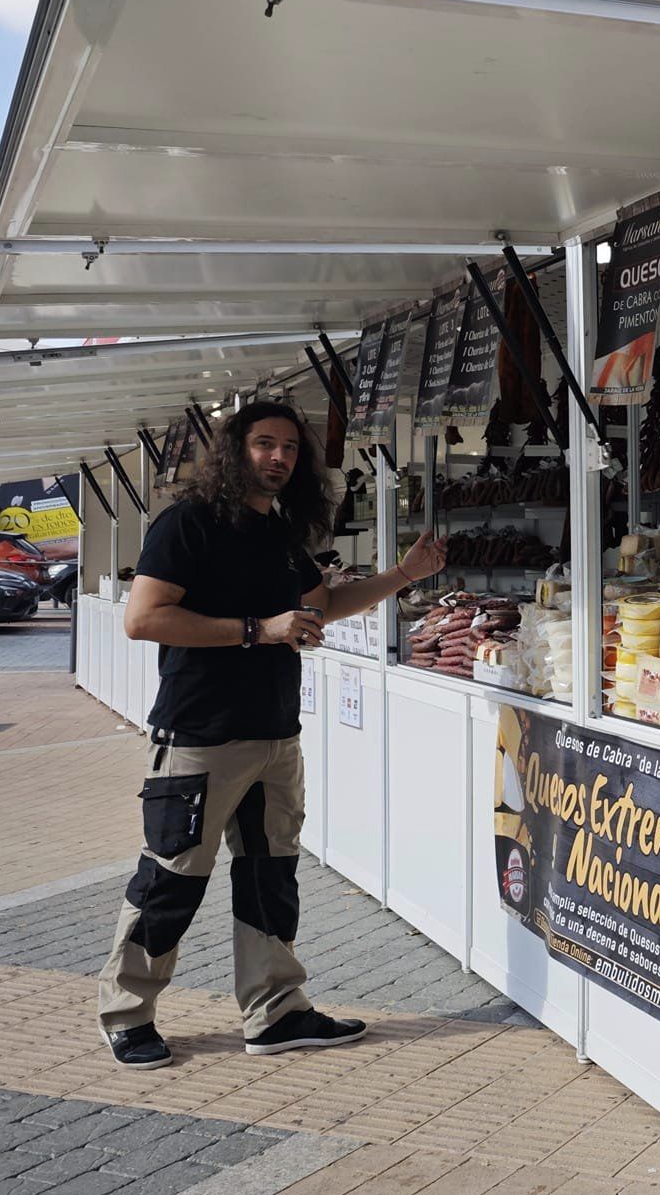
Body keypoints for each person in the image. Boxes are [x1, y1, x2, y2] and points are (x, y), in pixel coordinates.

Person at [100, 401, 447, 1069]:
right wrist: (260, 629)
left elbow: (321, 605)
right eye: (264, 443)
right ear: (235, 450)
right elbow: (143, 619)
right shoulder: (187, 524)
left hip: (274, 738)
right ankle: (127, 1012)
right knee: (172, 877)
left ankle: (277, 1012)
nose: (278, 458)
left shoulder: (281, 532)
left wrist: (403, 576)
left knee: (271, 879)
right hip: (200, 735)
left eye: (289, 448)